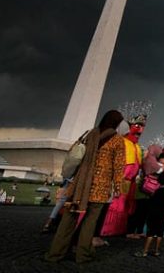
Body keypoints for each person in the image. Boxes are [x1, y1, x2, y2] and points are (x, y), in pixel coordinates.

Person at [44, 110, 126, 264]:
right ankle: (83, 254)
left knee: (68, 220)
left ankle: (55, 253)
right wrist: (117, 188)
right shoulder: (117, 140)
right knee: (90, 222)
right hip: (100, 188)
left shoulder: (89, 134)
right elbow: (118, 166)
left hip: (79, 185)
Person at [99, 102, 151, 237]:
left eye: (143, 127)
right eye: (138, 125)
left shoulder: (137, 147)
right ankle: (104, 230)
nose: (140, 130)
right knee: (114, 206)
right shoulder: (120, 142)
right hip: (118, 182)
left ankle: (118, 229)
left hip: (130, 184)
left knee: (123, 207)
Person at [135, 170, 164, 257]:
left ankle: (145, 251)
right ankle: (156, 251)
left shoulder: (156, 191)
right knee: (160, 233)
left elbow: (151, 203)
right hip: (163, 215)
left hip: (153, 214)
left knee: (150, 233)